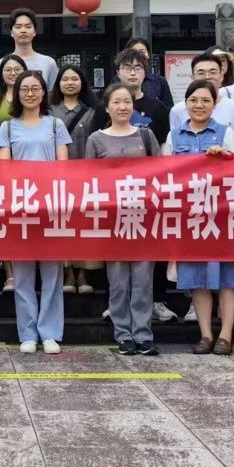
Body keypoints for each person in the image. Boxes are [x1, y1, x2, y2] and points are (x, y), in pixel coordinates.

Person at [164, 80, 234, 356]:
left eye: (206, 101)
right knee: (196, 276)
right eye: (194, 100)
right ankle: (206, 334)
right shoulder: (174, 136)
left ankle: (226, 336)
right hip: (191, 216)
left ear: (214, 104)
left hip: (223, 215)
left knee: (229, 275)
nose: (199, 105)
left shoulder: (226, 133)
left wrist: (226, 159)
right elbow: (166, 176)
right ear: (185, 103)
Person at [0, 71, 70, 354]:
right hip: (20, 207)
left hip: (51, 205)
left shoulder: (55, 124)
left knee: (52, 273)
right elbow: (4, 170)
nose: (30, 93)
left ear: (44, 92)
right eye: (24, 89)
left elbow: (63, 166)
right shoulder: (7, 128)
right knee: (23, 274)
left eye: (35, 88)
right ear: (17, 93)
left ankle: (50, 333)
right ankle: (27, 333)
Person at [90, 84, 161, 355]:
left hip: (143, 218)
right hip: (113, 219)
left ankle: (143, 334)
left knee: (143, 281)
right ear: (107, 108)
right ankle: (123, 334)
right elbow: (88, 180)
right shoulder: (96, 139)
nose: (122, 107)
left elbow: (161, 173)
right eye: (116, 102)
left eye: (127, 102)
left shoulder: (146, 135)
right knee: (119, 282)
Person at [49, 64, 100, 294]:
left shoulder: (93, 110)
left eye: (75, 79)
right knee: (62, 225)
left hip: (87, 178)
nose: (70, 83)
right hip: (57, 179)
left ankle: (84, 274)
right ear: (58, 83)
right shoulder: (50, 111)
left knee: (85, 225)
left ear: (82, 83)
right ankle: (67, 272)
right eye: (65, 79)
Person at [0, 53, 26, 294]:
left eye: (17, 69)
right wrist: (3, 157)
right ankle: (10, 274)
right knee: (6, 218)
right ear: (1, 74)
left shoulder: (29, 93)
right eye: (7, 69)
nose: (12, 73)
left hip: (30, 164)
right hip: (4, 165)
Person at [169, 53, 234, 142]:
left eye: (213, 72)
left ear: (221, 76)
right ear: (192, 78)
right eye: (201, 73)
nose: (207, 77)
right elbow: (174, 143)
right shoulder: (178, 110)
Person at [0, 8, 59, 91]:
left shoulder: (49, 63)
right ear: (11, 32)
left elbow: (53, 94)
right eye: (18, 27)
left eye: (28, 27)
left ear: (34, 32)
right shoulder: (0, 65)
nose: (23, 30)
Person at [127, 37, 175, 109]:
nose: (138, 55)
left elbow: (168, 109)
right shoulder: (118, 79)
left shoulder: (160, 81)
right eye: (134, 52)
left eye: (142, 52)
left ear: (148, 55)